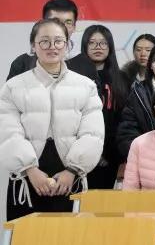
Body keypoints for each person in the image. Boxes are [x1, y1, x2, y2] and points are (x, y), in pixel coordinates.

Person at [0, 18, 104, 220]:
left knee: (69, 234)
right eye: (44, 41)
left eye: (58, 41)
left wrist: (72, 170)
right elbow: (8, 133)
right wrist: (30, 170)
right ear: (33, 46)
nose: (52, 47)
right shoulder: (13, 87)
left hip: (69, 176)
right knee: (25, 234)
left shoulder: (86, 86)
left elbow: (93, 134)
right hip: (26, 176)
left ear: (67, 44)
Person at [81, 24, 128, 189]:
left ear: (110, 47)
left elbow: (124, 119)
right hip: (80, 154)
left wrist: (119, 156)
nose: (98, 47)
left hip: (111, 156)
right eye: (92, 42)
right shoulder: (75, 77)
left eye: (103, 43)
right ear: (85, 46)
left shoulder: (122, 79)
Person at [7, 0, 97, 82]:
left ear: (74, 27)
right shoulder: (22, 63)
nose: (62, 27)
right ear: (43, 23)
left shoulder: (86, 64)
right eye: (56, 21)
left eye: (68, 22)